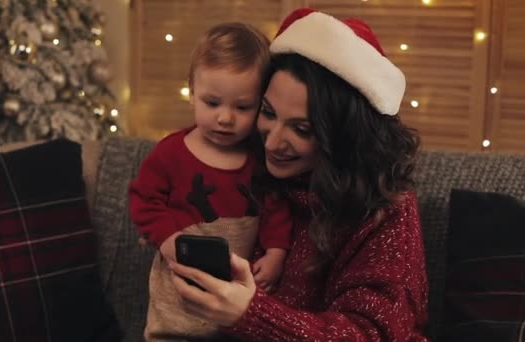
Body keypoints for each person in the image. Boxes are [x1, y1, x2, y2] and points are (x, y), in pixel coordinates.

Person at [168, 8, 429, 341]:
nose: (273, 142)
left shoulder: (386, 209)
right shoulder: (247, 167)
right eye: (268, 113)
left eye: (301, 129)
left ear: (344, 135)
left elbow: (370, 333)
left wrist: (250, 313)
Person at [128, 22, 293, 340]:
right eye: (212, 103)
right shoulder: (172, 152)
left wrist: (276, 252)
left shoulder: (260, 158)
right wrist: (167, 240)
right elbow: (144, 200)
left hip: (238, 291)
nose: (225, 118)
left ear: (261, 103)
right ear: (192, 92)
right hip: (179, 280)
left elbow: (275, 206)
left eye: (242, 107)